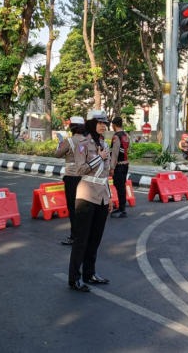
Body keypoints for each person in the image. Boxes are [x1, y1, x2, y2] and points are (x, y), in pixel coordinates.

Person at [68, 109, 112, 292]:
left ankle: (90, 273)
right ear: (92, 124)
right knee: (81, 239)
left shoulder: (105, 144)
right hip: (86, 196)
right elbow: (80, 170)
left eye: (105, 123)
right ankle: (74, 278)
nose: (103, 126)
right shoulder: (82, 144)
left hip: (102, 197)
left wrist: (109, 197)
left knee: (95, 239)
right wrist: (99, 158)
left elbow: (106, 174)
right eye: (100, 122)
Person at [55, 116, 86, 246]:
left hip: (72, 178)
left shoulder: (70, 141)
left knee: (72, 208)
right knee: (83, 207)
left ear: (72, 127)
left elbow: (57, 154)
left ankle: (74, 236)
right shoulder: (88, 140)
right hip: (85, 177)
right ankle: (84, 235)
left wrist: (59, 145)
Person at [109, 116, 129, 218]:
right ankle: (121, 207)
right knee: (122, 186)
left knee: (120, 186)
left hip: (119, 165)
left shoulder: (116, 136)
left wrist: (112, 167)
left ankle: (122, 209)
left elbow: (114, 154)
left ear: (114, 125)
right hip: (125, 164)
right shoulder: (125, 135)